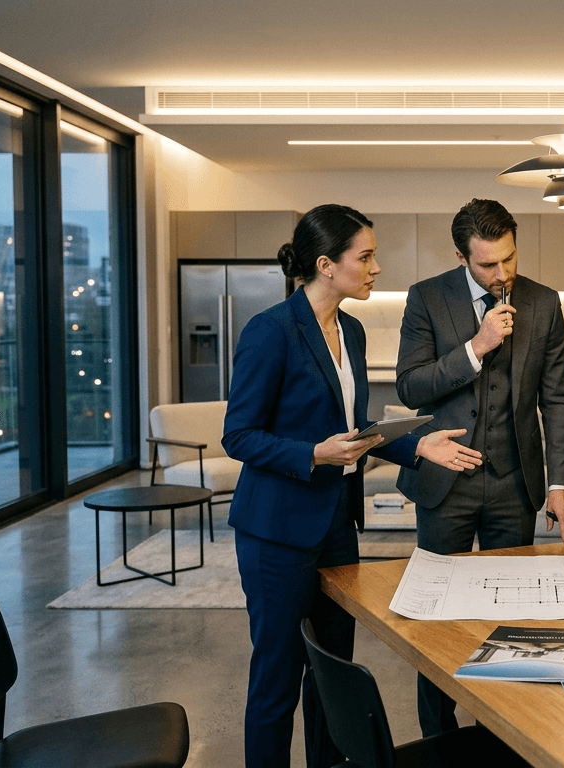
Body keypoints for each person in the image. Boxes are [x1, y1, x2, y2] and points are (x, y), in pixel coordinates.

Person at [222, 204, 481, 768]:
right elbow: (238, 435)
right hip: (276, 534)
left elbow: (352, 430)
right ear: (325, 264)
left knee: (331, 675)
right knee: (277, 682)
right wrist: (311, 454)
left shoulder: (353, 330)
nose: (376, 268)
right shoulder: (270, 331)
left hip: (336, 525)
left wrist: (416, 446)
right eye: (365, 257)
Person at [394, 198, 564, 735]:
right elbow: (410, 388)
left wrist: (560, 483)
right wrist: (476, 347)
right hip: (445, 485)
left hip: (513, 484)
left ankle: (503, 733)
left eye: (510, 259)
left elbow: (558, 399)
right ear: (461, 257)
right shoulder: (427, 298)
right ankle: (439, 737)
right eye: (488, 265)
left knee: (512, 625)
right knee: (438, 620)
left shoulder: (544, 303)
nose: (503, 275)